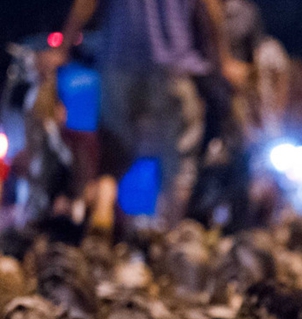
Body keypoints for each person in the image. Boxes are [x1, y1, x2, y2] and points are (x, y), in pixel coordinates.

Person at [51, 0, 244, 235]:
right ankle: (171, 238)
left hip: (118, 64)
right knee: (178, 167)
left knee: (111, 158)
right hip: (173, 68)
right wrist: (222, 60)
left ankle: (102, 221)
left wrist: (62, 49)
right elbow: (208, 7)